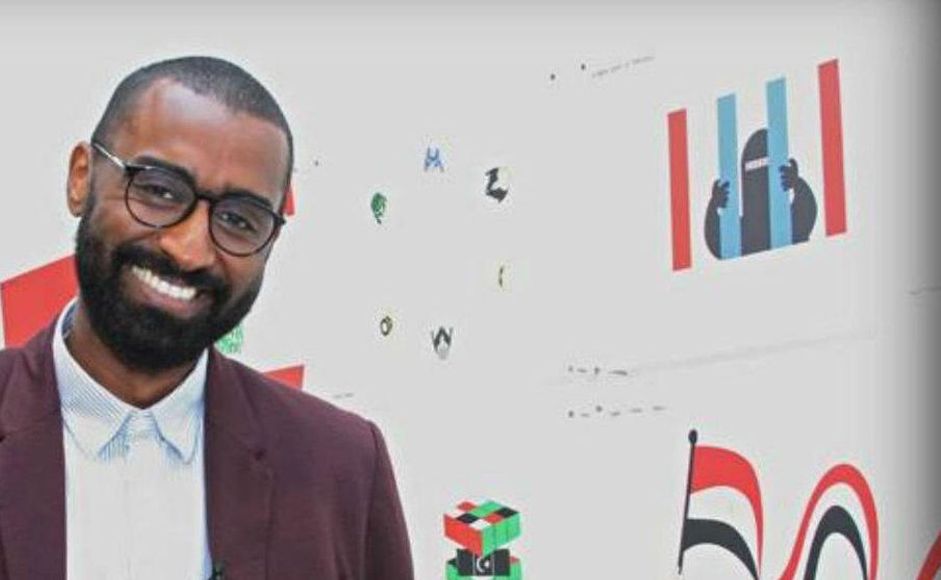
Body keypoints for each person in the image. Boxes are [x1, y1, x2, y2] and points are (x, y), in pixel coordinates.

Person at [0, 56, 413, 580]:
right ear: (81, 177)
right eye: (159, 191)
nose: (190, 250)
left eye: (239, 219)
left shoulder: (341, 466)